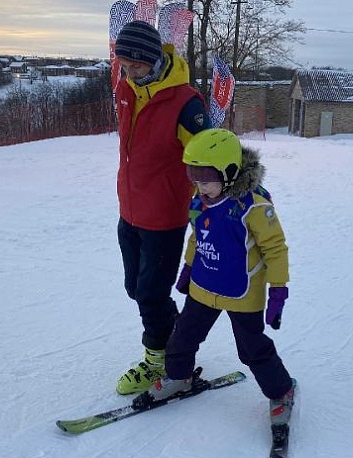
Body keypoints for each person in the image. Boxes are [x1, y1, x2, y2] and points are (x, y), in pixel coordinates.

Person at [147, 128, 295, 426]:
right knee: (183, 336)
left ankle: (281, 391)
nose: (200, 187)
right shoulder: (201, 199)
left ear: (229, 172)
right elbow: (197, 236)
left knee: (252, 349)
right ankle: (179, 377)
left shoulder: (253, 206)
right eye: (194, 178)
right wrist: (188, 268)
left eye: (206, 179)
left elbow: (275, 249)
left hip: (243, 293)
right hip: (204, 286)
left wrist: (278, 290)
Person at [112, 20, 212, 395]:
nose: (130, 72)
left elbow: (207, 155)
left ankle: (158, 361)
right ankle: (175, 340)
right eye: (124, 65)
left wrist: (218, 202)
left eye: (136, 66)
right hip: (130, 209)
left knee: (152, 291)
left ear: (154, 60)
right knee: (135, 288)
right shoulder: (125, 89)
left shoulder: (185, 103)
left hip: (165, 216)